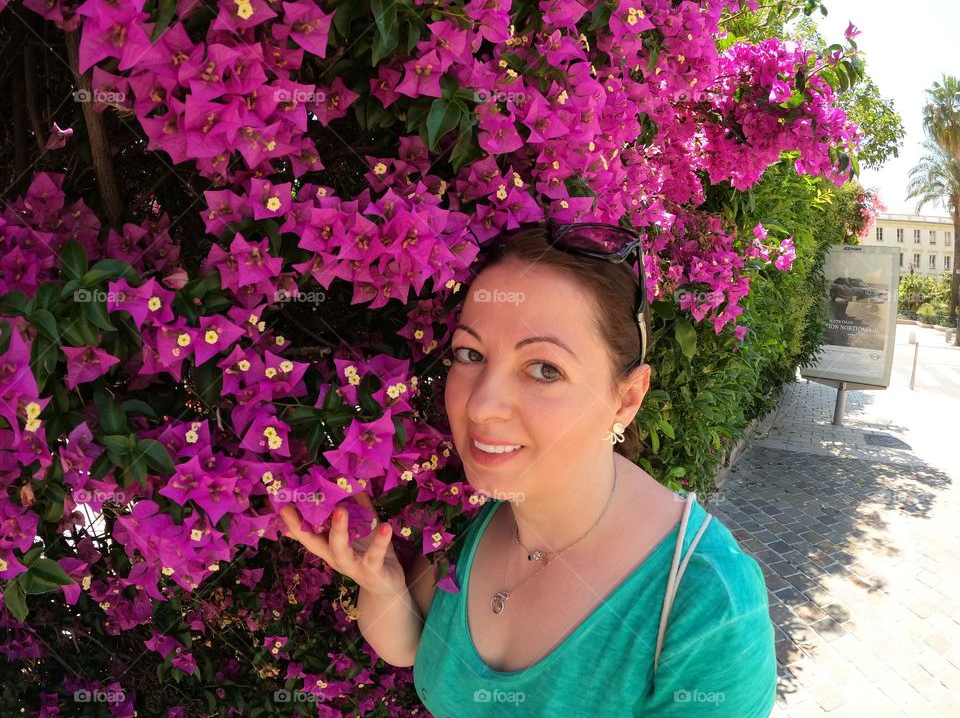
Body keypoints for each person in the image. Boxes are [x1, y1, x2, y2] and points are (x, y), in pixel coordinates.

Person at [281, 222, 777, 716]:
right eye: (469, 354)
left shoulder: (709, 609)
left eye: (544, 369)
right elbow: (412, 648)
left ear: (626, 399)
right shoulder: (465, 507)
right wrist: (384, 584)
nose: (481, 406)